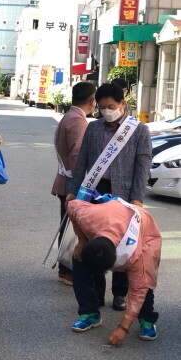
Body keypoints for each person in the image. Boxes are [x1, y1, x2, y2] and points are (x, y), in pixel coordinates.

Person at [66, 83, 152, 311]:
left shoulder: (138, 130)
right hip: (96, 189)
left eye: (111, 106)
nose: (106, 111)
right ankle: (97, 291)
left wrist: (137, 198)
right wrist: (74, 190)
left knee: (125, 244)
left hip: (124, 194)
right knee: (97, 242)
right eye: (102, 107)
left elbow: (143, 167)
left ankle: (120, 293)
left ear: (123, 104)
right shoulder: (93, 129)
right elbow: (82, 162)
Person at [67, 199, 161, 345]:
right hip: (110, 215)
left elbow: (138, 290)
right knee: (78, 258)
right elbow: (71, 204)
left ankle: (146, 319)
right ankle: (90, 312)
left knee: (144, 282)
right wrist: (81, 240)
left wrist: (123, 328)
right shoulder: (87, 218)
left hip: (145, 232)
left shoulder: (138, 256)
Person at [51, 82, 96, 285]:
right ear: (92, 101)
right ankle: (68, 270)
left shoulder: (69, 116)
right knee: (74, 229)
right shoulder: (77, 121)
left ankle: (65, 268)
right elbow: (77, 155)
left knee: (69, 226)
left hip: (66, 180)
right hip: (72, 184)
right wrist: (81, 187)